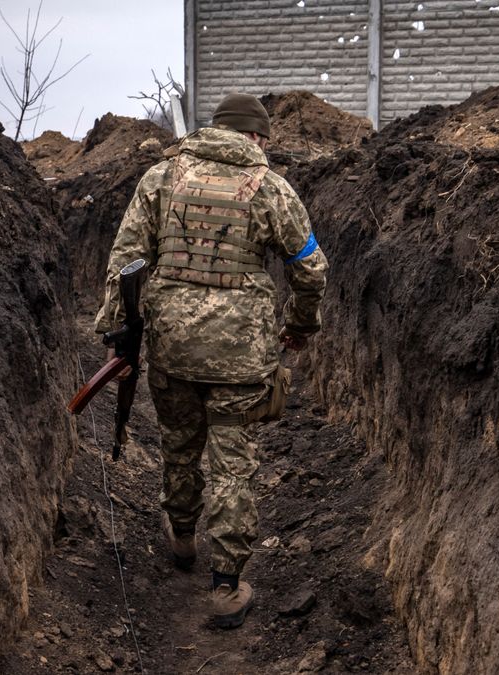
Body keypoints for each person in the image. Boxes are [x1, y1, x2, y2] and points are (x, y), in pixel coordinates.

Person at [93, 93, 328, 629]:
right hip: (241, 355)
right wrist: (299, 326)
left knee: (179, 444)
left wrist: (116, 330)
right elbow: (311, 268)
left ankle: (181, 535)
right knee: (232, 463)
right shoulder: (272, 188)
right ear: (256, 138)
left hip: (172, 344)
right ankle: (225, 588)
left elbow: (125, 260)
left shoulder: (159, 178)